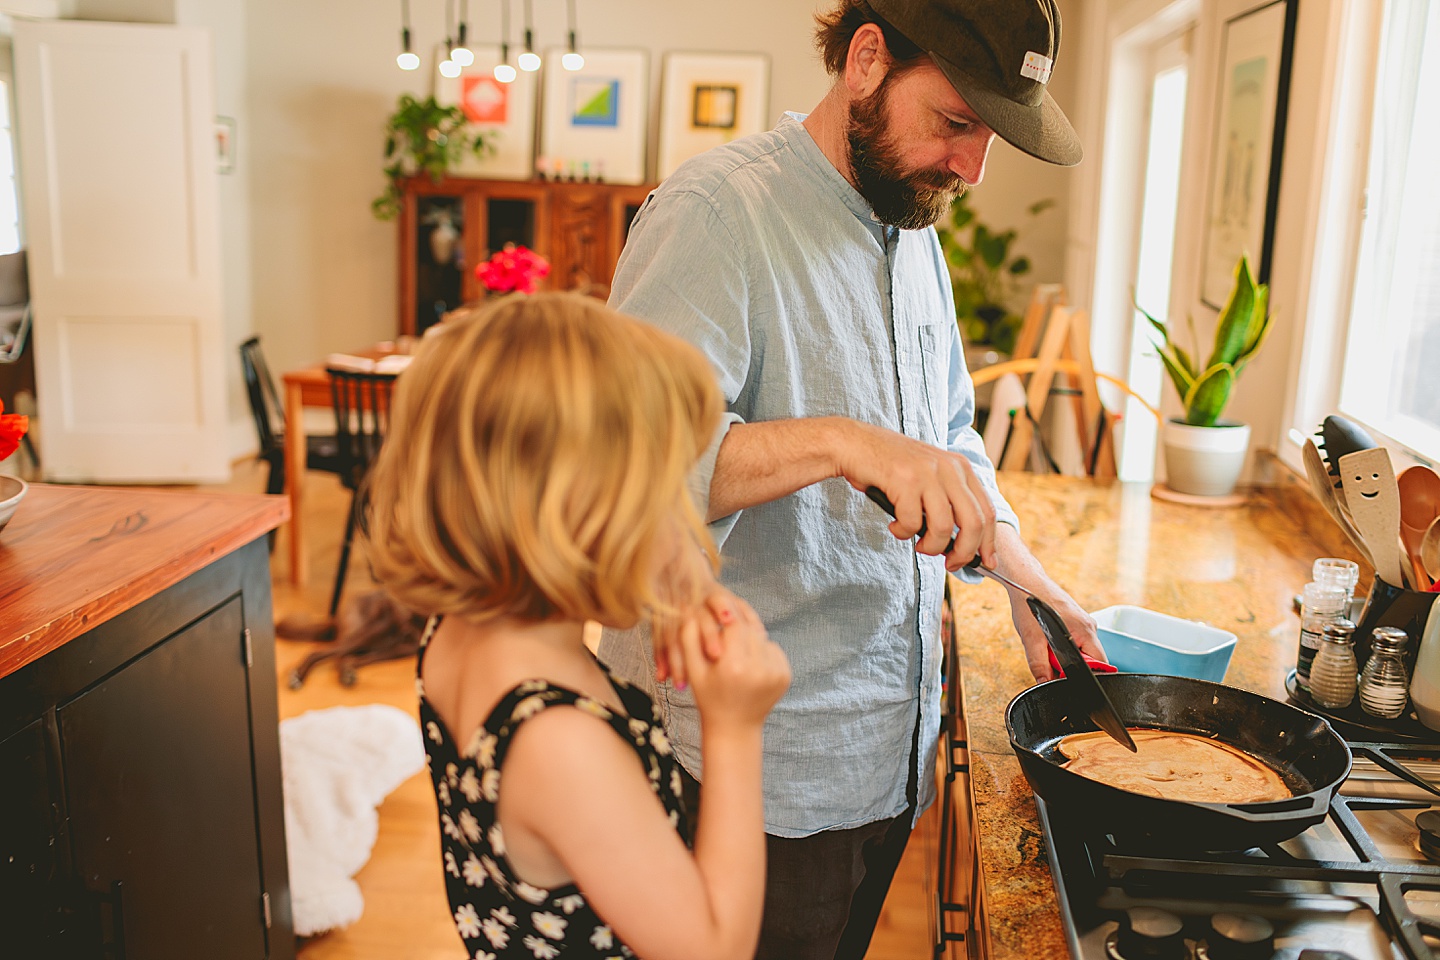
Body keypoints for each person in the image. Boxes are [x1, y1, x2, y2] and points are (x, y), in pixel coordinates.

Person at [598, 1, 1107, 957]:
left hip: (880, 755)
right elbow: (623, 473)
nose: (972, 167)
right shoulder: (714, 214)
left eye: (988, 136)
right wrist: (843, 441)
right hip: (751, 776)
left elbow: (949, 432)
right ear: (867, 59)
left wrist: (1026, 580)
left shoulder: (909, 224)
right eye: (957, 123)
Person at [364, 293, 792, 960]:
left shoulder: (461, 629)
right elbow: (712, 951)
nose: (680, 526)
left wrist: (671, 576)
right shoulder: (560, 742)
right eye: (658, 497)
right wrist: (735, 729)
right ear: (574, 518)